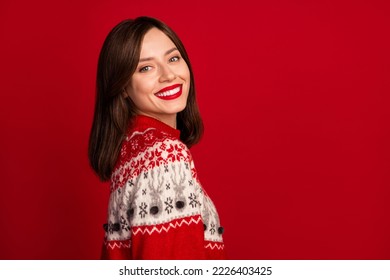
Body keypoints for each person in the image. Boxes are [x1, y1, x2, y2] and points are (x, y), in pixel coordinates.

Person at [88, 16, 226, 259]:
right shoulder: (163, 155)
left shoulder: (132, 149)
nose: (169, 75)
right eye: (146, 67)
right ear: (122, 87)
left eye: (173, 58)